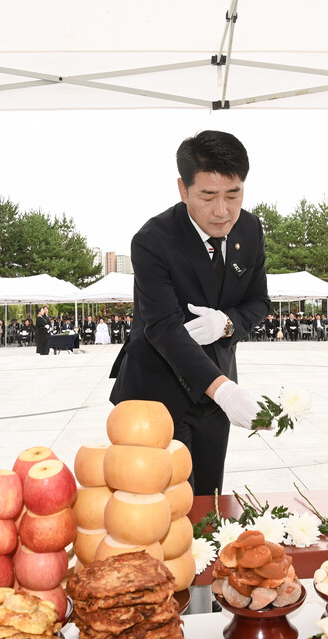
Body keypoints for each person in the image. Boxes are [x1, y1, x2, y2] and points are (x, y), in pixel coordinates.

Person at [109, 130, 270, 496]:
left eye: (234, 194)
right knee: (162, 506)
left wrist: (227, 323)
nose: (222, 210)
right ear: (183, 189)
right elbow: (163, 328)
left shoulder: (250, 229)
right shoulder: (153, 240)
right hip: (156, 394)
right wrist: (226, 392)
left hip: (214, 389)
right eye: (208, 196)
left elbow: (258, 302)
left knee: (207, 503)